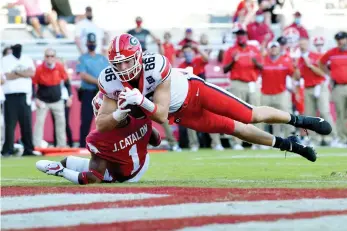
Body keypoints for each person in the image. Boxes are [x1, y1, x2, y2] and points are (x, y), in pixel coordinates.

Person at [97, 34, 333, 163]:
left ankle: (301, 121)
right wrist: (119, 112)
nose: (123, 67)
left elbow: (159, 113)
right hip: (181, 114)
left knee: (249, 115)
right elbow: (102, 122)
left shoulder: (155, 64)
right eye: (117, 63)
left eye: (127, 61)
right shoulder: (109, 80)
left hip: (195, 92)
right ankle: (291, 145)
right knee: (236, 130)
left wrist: (139, 100)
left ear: (138, 56)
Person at [36, 93, 161, 184]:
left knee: (66, 164)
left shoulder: (97, 138)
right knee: (68, 161)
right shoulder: (139, 116)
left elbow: (94, 178)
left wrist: (62, 172)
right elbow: (156, 141)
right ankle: (56, 166)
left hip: (123, 177)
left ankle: (57, 169)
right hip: (143, 163)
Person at [1, 44, 37, 156]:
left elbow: (31, 73)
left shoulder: (27, 58)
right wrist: (23, 73)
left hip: (24, 95)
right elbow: (5, 76)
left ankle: (28, 149)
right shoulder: (5, 60)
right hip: (10, 96)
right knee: (10, 124)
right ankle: (8, 149)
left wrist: (15, 72)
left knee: (26, 124)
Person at [76, 33, 109, 148]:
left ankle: (105, 144)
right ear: (87, 44)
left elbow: (108, 72)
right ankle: (82, 145)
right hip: (88, 92)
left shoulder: (102, 58)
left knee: (104, 119)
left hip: (101, 93)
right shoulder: (83, 58)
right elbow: (83, 75)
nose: (92, 45)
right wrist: (99, 82)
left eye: (93, 43)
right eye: (90, 43)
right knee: (86, 119)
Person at [260, 41, 296, 138]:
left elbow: (294, 75)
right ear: (268, 49)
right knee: (261, 118)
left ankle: (290, 138)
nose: (274, 49)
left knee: (286, 116)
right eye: (272, 47)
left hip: (281, 93)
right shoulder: (263, 60)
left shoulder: (285, 61)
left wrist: (295, 67)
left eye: (275, 47)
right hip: (265, 93)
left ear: (279, 49)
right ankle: (259, 141)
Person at [319, 31, 347, 145]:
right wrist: (329, 74)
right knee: (340, 113)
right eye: (338, 40)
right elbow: (321, 63)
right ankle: (342, 138)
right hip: (338, 87)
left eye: (343, 39)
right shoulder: (332, 53)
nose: (341, 41)